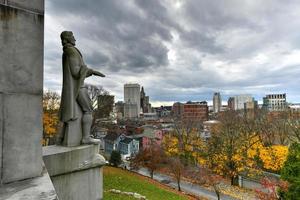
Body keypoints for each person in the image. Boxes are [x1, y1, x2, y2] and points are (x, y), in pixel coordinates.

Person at [58, 31, 105, 144]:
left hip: (73, 87)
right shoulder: (72, 51)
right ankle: (86, 137)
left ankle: (61, 139)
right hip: (78, 87)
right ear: (68, 38)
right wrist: (91, 71)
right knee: (88, 110)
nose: (75, 39)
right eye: (72, 36)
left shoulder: (68, 51)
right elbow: (75, 72)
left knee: (71, 113)